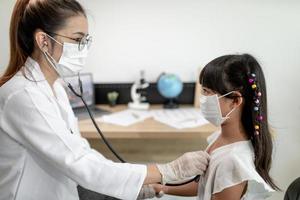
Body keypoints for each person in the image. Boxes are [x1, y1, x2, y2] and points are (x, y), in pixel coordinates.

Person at [0, 0, 210, 200]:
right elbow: (80, 164)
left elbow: (81, 152)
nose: (84, 48)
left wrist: (131, 188)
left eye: (86, 40)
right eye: (77, 39)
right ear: (44, 41)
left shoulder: (55, 87)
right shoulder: (22, 96)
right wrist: (168, 171)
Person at [146, 54, 280, 199]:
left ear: (235, 101)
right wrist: (161, 188)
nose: (203, 98)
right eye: (203, 90)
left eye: (208, 92)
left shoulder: (232, 160)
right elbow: (205, 184)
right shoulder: (222, 137)